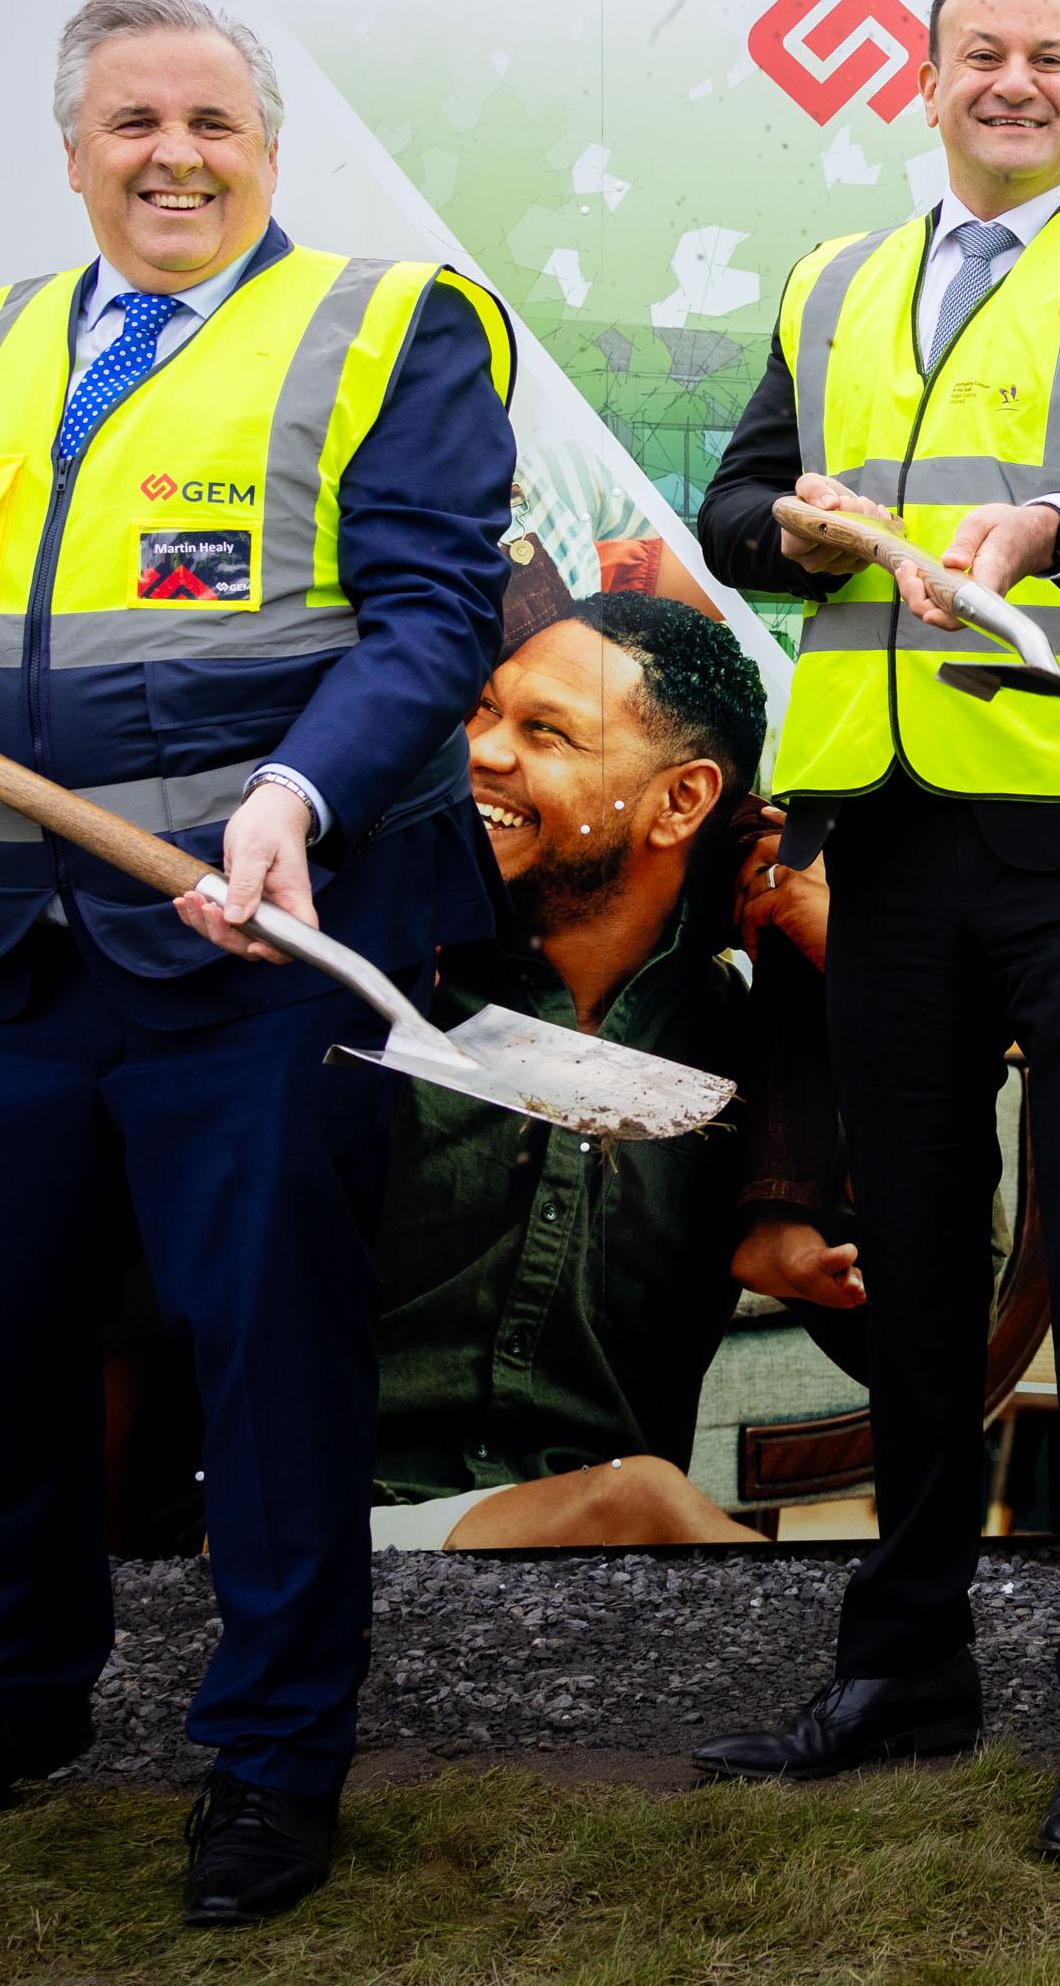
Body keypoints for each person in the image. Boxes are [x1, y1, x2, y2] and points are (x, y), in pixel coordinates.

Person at [0, 0, 515, 1928]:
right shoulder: (4, 338)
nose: (174, 154)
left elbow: (431, 621)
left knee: (267, 1366)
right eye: (132, 122)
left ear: (268, 145)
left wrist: (299, 799)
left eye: (212, 121)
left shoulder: (381, 331)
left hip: (249, 949)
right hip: (12, 944)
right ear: (74, 146)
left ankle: (272, 1759)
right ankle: (9, 1701)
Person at [688, 0, 1060, 1869]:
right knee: (919, 1268)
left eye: (1055, 55)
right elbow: (734, 505)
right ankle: (909, 1657)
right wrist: (799, 521)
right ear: (921, 80)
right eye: (983, 52)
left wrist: (1050, 525)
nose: (1018, 79)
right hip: (900, 828)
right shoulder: (835, 280)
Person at [366, 594, 789, 1550]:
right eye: (483, 711)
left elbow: (928, 1338)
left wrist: (846, 971)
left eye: (545, 732)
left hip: (597, 1595)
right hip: (308, 1533)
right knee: (641, 1504)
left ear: (681, 801)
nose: (484, 750)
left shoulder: (746, 1044)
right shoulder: (379, 985)